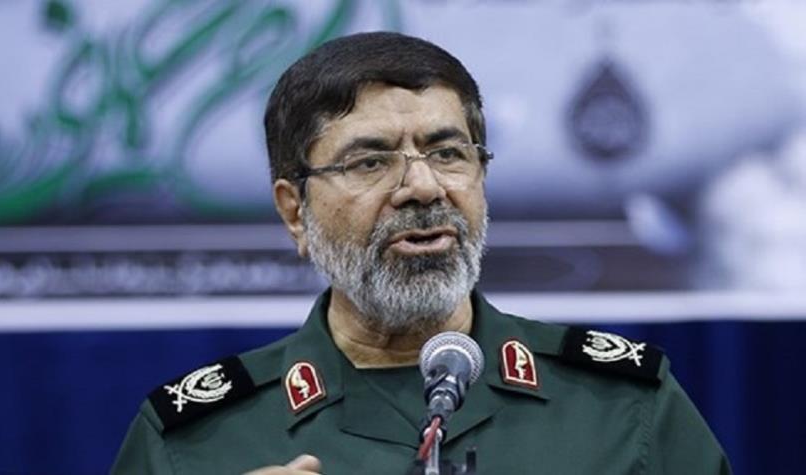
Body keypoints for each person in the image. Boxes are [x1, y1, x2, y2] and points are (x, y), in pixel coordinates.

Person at [111, 32, 731, 475]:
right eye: (370, 162)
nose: (424, 186)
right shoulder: (195, 443)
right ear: (295, 210)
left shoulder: (623, 408)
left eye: (448, 153)